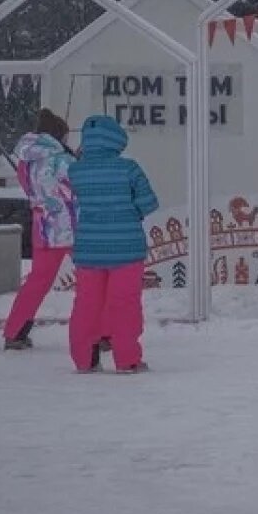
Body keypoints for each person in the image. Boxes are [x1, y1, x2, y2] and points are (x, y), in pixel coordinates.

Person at [67, 114, 159, 373]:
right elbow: (149, 203)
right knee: (124, 304)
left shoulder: (76, 171)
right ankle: (127, 359)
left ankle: (84, 359)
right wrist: (131, 213)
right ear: (117, 139)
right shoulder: (129, 168)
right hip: (126, 248)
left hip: (88, 248)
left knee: (86, 304)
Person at [3, 108, 76, 350]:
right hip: (73, 227)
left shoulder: (25, 162)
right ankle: (102, 333)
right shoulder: (63, 160)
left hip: (43, 226)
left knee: (37, 282)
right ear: (58, 136)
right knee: (93, 278)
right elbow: (76, 187)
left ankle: (15, 331)